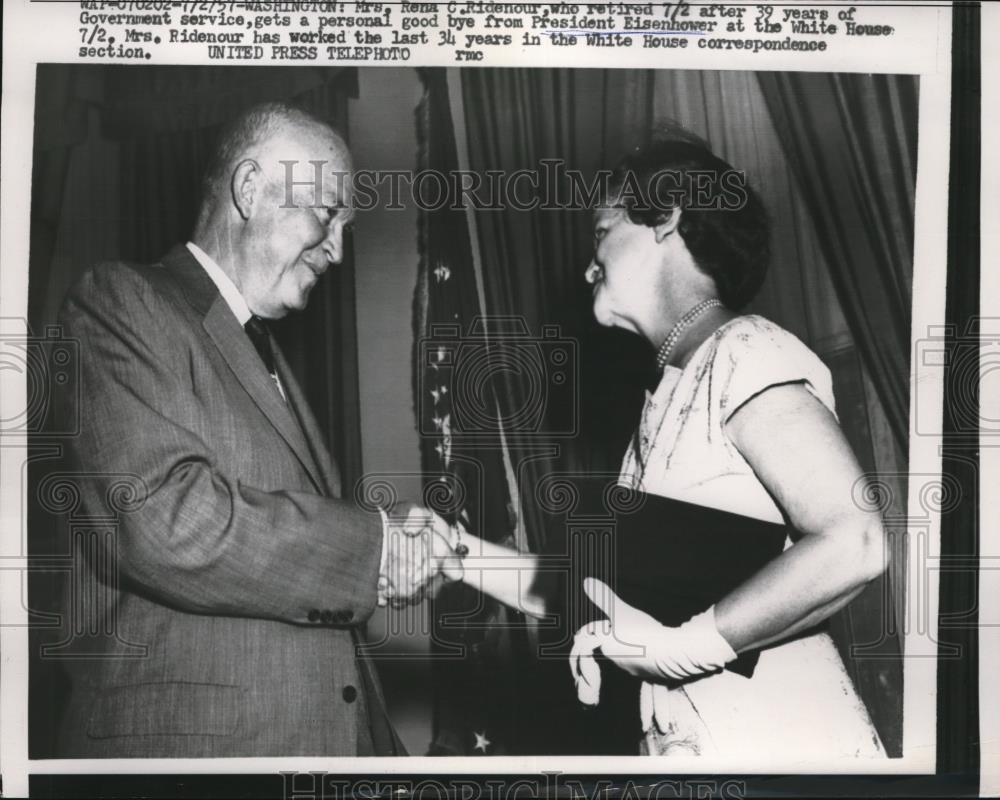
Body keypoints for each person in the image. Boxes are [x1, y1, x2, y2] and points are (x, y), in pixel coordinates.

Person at [453, 134, 888, 760]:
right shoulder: (663, 405)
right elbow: (586, 589)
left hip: (777, 739)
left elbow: (857, 541)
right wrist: (454, 553)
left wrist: (682, 651)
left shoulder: (744, 350)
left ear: (669, 217)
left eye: (602, 230)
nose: (588, 265)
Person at [54, 102, 451, 757]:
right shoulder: (121, 302)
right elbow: (164, 521)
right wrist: (373, 546)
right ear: (248, 190)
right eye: (327, 214)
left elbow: (281, 540)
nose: (339, 250)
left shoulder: (262, 351)